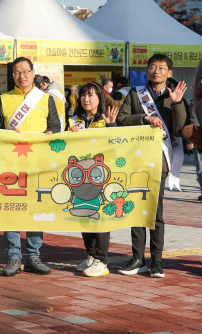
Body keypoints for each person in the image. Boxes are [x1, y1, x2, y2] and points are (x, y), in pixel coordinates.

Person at [116, 54, 187, 279]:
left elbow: (180, 129)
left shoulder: (174, 95)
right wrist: (144, 119)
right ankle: (138, 259)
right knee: (137, 211)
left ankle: (157, 261)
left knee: (155, 214)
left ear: (169, 72)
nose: (156, 71)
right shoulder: (136, 94)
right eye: (152, 67)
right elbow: (121, 119)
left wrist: (176, 103)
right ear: (147, 70)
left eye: (161, 68)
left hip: (160, 160)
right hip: (137, 161)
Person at [0, 57, 61, 277]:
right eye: (17, 73)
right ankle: (13, 257)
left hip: (37, 163)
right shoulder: (3, 99)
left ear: (33, 73)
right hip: (10, 164)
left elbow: (56, 127)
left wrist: (51, 134)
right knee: (11, 210)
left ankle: (33, 255)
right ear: (13, 76)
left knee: (35, 209)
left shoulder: (46, 99)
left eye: (25, 71)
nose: (22, 76)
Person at [67, 82, 119, 277]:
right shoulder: (74, 120)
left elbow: (116, 145)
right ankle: (90, 255)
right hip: (80, 177)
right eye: (83, 95)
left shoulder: (105, 119)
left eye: (91, 95)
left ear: (100, 98)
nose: (86, 99)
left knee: (100, 217)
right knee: (84, 214)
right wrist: (69, 134)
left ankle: (101, 260)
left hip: (100, 177)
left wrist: (112, 125)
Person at [188, 84, 202, 203]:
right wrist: (191, 139)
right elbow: (191, 122)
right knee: (201, 167)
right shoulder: (193, 103)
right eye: (193, 88)